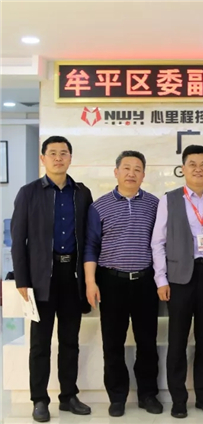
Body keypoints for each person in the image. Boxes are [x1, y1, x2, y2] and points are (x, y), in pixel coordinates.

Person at [11, 136, 93, 423]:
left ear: (70, 158)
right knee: (40, 343)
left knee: (70, 340)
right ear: (43, 158)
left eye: (64, 153)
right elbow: (18, 239)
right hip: (40, 279)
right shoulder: (29, 193)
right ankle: (39, 399)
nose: (58, 158)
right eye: (53, 153)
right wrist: (22, 280)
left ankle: (68, 396)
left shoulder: (81, 193)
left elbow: (89, 238)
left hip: (72, 277)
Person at [151, 145, 203, 419]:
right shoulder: (169, 199)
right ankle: (179, 400)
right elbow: (158, 242)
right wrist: (161, 279)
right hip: (180, 278)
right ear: (183, 169)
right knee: (177, 341)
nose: (198, 169)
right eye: (192, 164)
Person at [84, 151, 162, 417]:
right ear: (116, 172)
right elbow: (91, 246)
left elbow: (161, 244)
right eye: (126, 168)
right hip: (111, 282)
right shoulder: (99, 206)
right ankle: (117, 397)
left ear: (144, 175)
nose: (131, 173)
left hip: (145, 282)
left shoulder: (154, 204)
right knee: (113, 343)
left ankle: (148, 395)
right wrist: (90, 282)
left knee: (147, 342)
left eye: (137, 169)